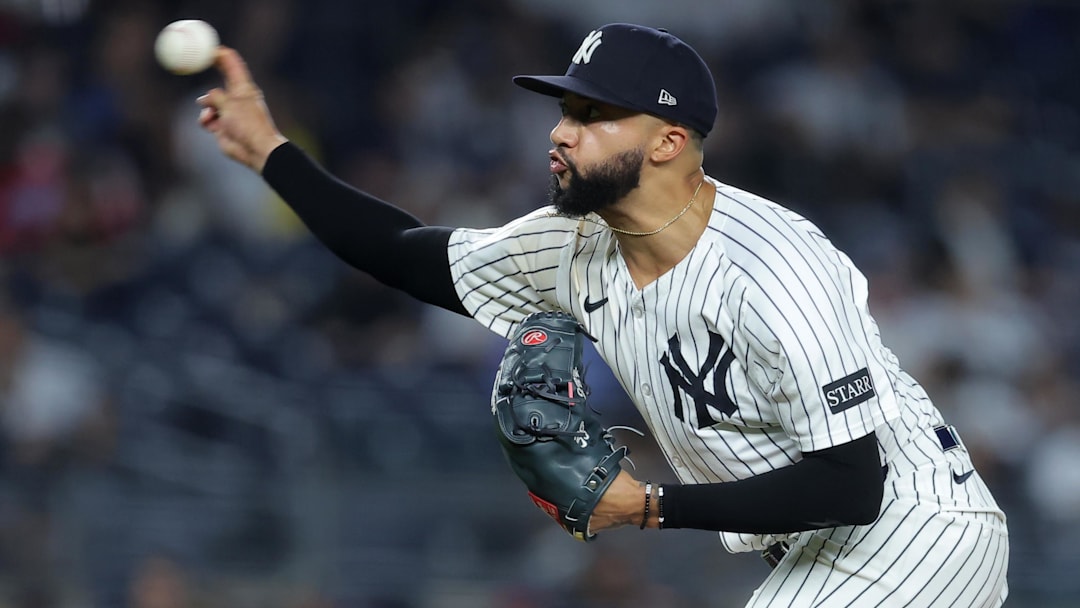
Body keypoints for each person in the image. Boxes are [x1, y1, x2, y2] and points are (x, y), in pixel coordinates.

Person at [197, 22, 1009, 607]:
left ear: (668, 142)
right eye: (563, 111)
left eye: (591, 116)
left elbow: (853, 484)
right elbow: (406, 253)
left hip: (918, 530)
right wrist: (271, 151)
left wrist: (650, 506)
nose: (559, 132)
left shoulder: (773, 265)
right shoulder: (575, 245)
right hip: (822, 552)